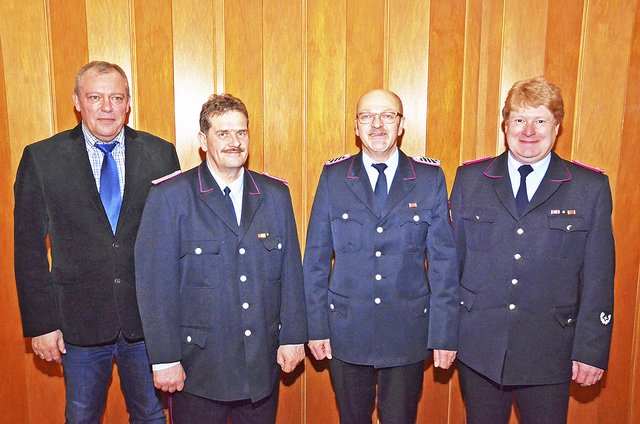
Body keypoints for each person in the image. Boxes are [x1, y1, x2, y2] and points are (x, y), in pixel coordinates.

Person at [13, 61, 180, 423]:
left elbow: (173, 243)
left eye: (115, 97)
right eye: (95, 97)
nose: (106, 107)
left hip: (145, 324)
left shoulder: (160, 154)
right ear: (77, 101)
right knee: (82, 416)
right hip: (78, 324)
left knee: (151, 415)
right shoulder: (42, 159)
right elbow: (28, 250)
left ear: (128, 103)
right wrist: (41, 324)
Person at [450, 76, 615, 423]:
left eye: (540, 120)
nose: (529, 131)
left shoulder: (589, 188)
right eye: (519, 119)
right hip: (480, 348)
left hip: (549, 350)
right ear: (505, 123)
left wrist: (591, 350)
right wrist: (444, 335)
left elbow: (599, 277)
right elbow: (451, 264)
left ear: (556, 126)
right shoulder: (470, 180)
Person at [134, 93, 307, 423]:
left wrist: (294, 337)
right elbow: (154, 285)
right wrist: (164, 358)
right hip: (198, 368)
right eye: (223, 133)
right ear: (203, 140)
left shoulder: (274, 194)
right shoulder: (170, 196)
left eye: (241, 133)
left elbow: (291, 274)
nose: (234, 142)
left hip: (260, 364)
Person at [303, 88, 459, 423]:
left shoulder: (429, 178)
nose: (377, 124)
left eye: (387, 115)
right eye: (367, 116)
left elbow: (444, 264)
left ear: (401, 125)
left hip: (407, 331)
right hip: (346, 329)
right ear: (356, 127)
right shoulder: (333, 176)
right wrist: (315, 328)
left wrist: (444, 334)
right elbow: (315, 260)